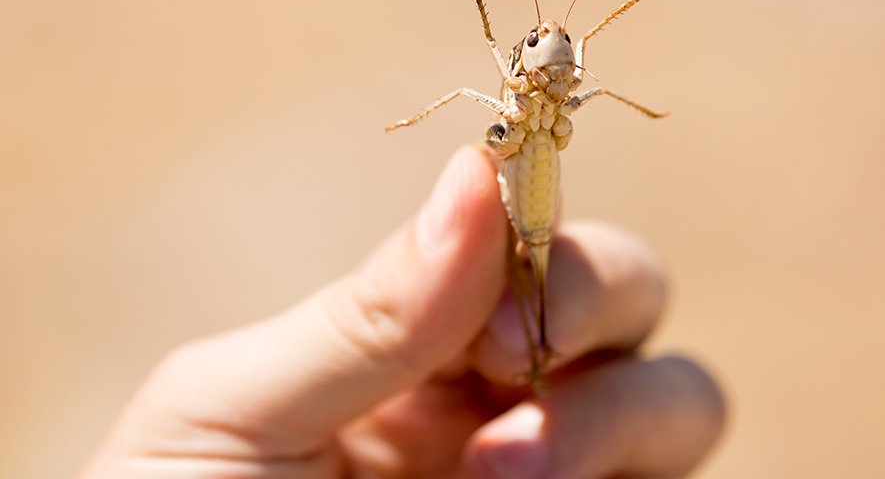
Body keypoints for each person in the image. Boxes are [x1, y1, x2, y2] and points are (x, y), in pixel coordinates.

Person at [79, 147, 725, 479]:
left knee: (544, 304)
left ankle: (538, 364)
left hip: (540, 227)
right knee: (533, 319)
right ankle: (535, 359)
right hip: (516, 197)